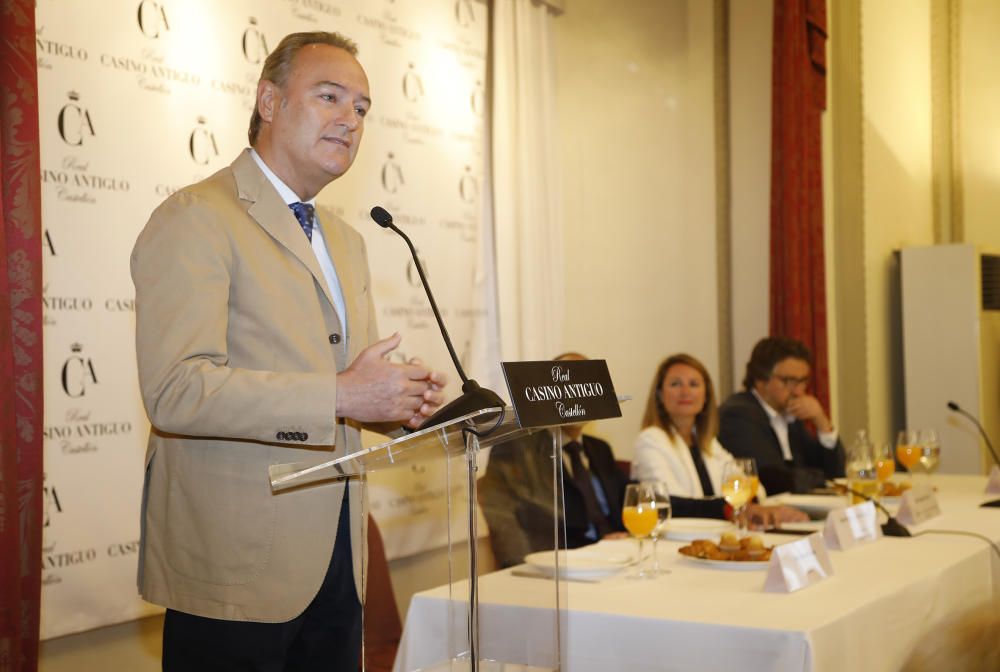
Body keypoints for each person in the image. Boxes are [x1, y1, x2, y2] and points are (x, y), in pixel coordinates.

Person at [131, 31, 446, 672]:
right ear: (268, 102)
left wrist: (396, 401)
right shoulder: (197, 216)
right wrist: (344, 393)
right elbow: (176, 390)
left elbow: (343, 384)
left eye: (361, 108)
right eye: (329, 96)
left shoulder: (349, 239)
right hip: (235, 568)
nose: (349, 120)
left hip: (338, 559)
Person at [479, 353, 628, 568]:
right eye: (568, 386)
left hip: (614, 560)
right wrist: (526, 572)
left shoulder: (600, 449)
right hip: (558, 568)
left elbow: (628, 505)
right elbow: (505, 526)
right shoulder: (516, 451)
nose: (576, 395)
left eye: (585, 386)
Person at [632, 354, 807, 526]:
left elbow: (752, 489)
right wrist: (732, 508)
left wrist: (751, 507)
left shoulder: (709, 444)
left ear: (706, 396)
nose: (685, 392)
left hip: (714, 534)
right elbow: (672, 503)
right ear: (660, 395)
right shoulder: (650, 440)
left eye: (693, 384)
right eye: (675, 384)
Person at [718, 337, 845, 494]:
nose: (798, 391)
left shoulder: (791, 417)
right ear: (760, 379)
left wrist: (822, 423)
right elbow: (774, 480)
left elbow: (837, 475)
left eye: (803, 381)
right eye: (789, 381)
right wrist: (822, 478)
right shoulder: (738, 415)